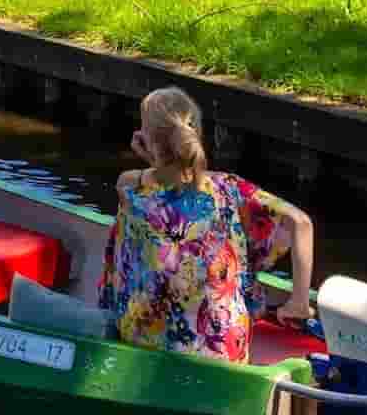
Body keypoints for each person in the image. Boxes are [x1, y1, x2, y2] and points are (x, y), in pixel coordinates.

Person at [98, 88, 315, 363]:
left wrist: (153, 156)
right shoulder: (230, 188)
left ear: (147, 140)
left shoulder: (130, 186)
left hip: (148, 345)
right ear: (196, 134)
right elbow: (301, 223)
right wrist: (298, 302)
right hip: (223, 349)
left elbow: (164, 180)